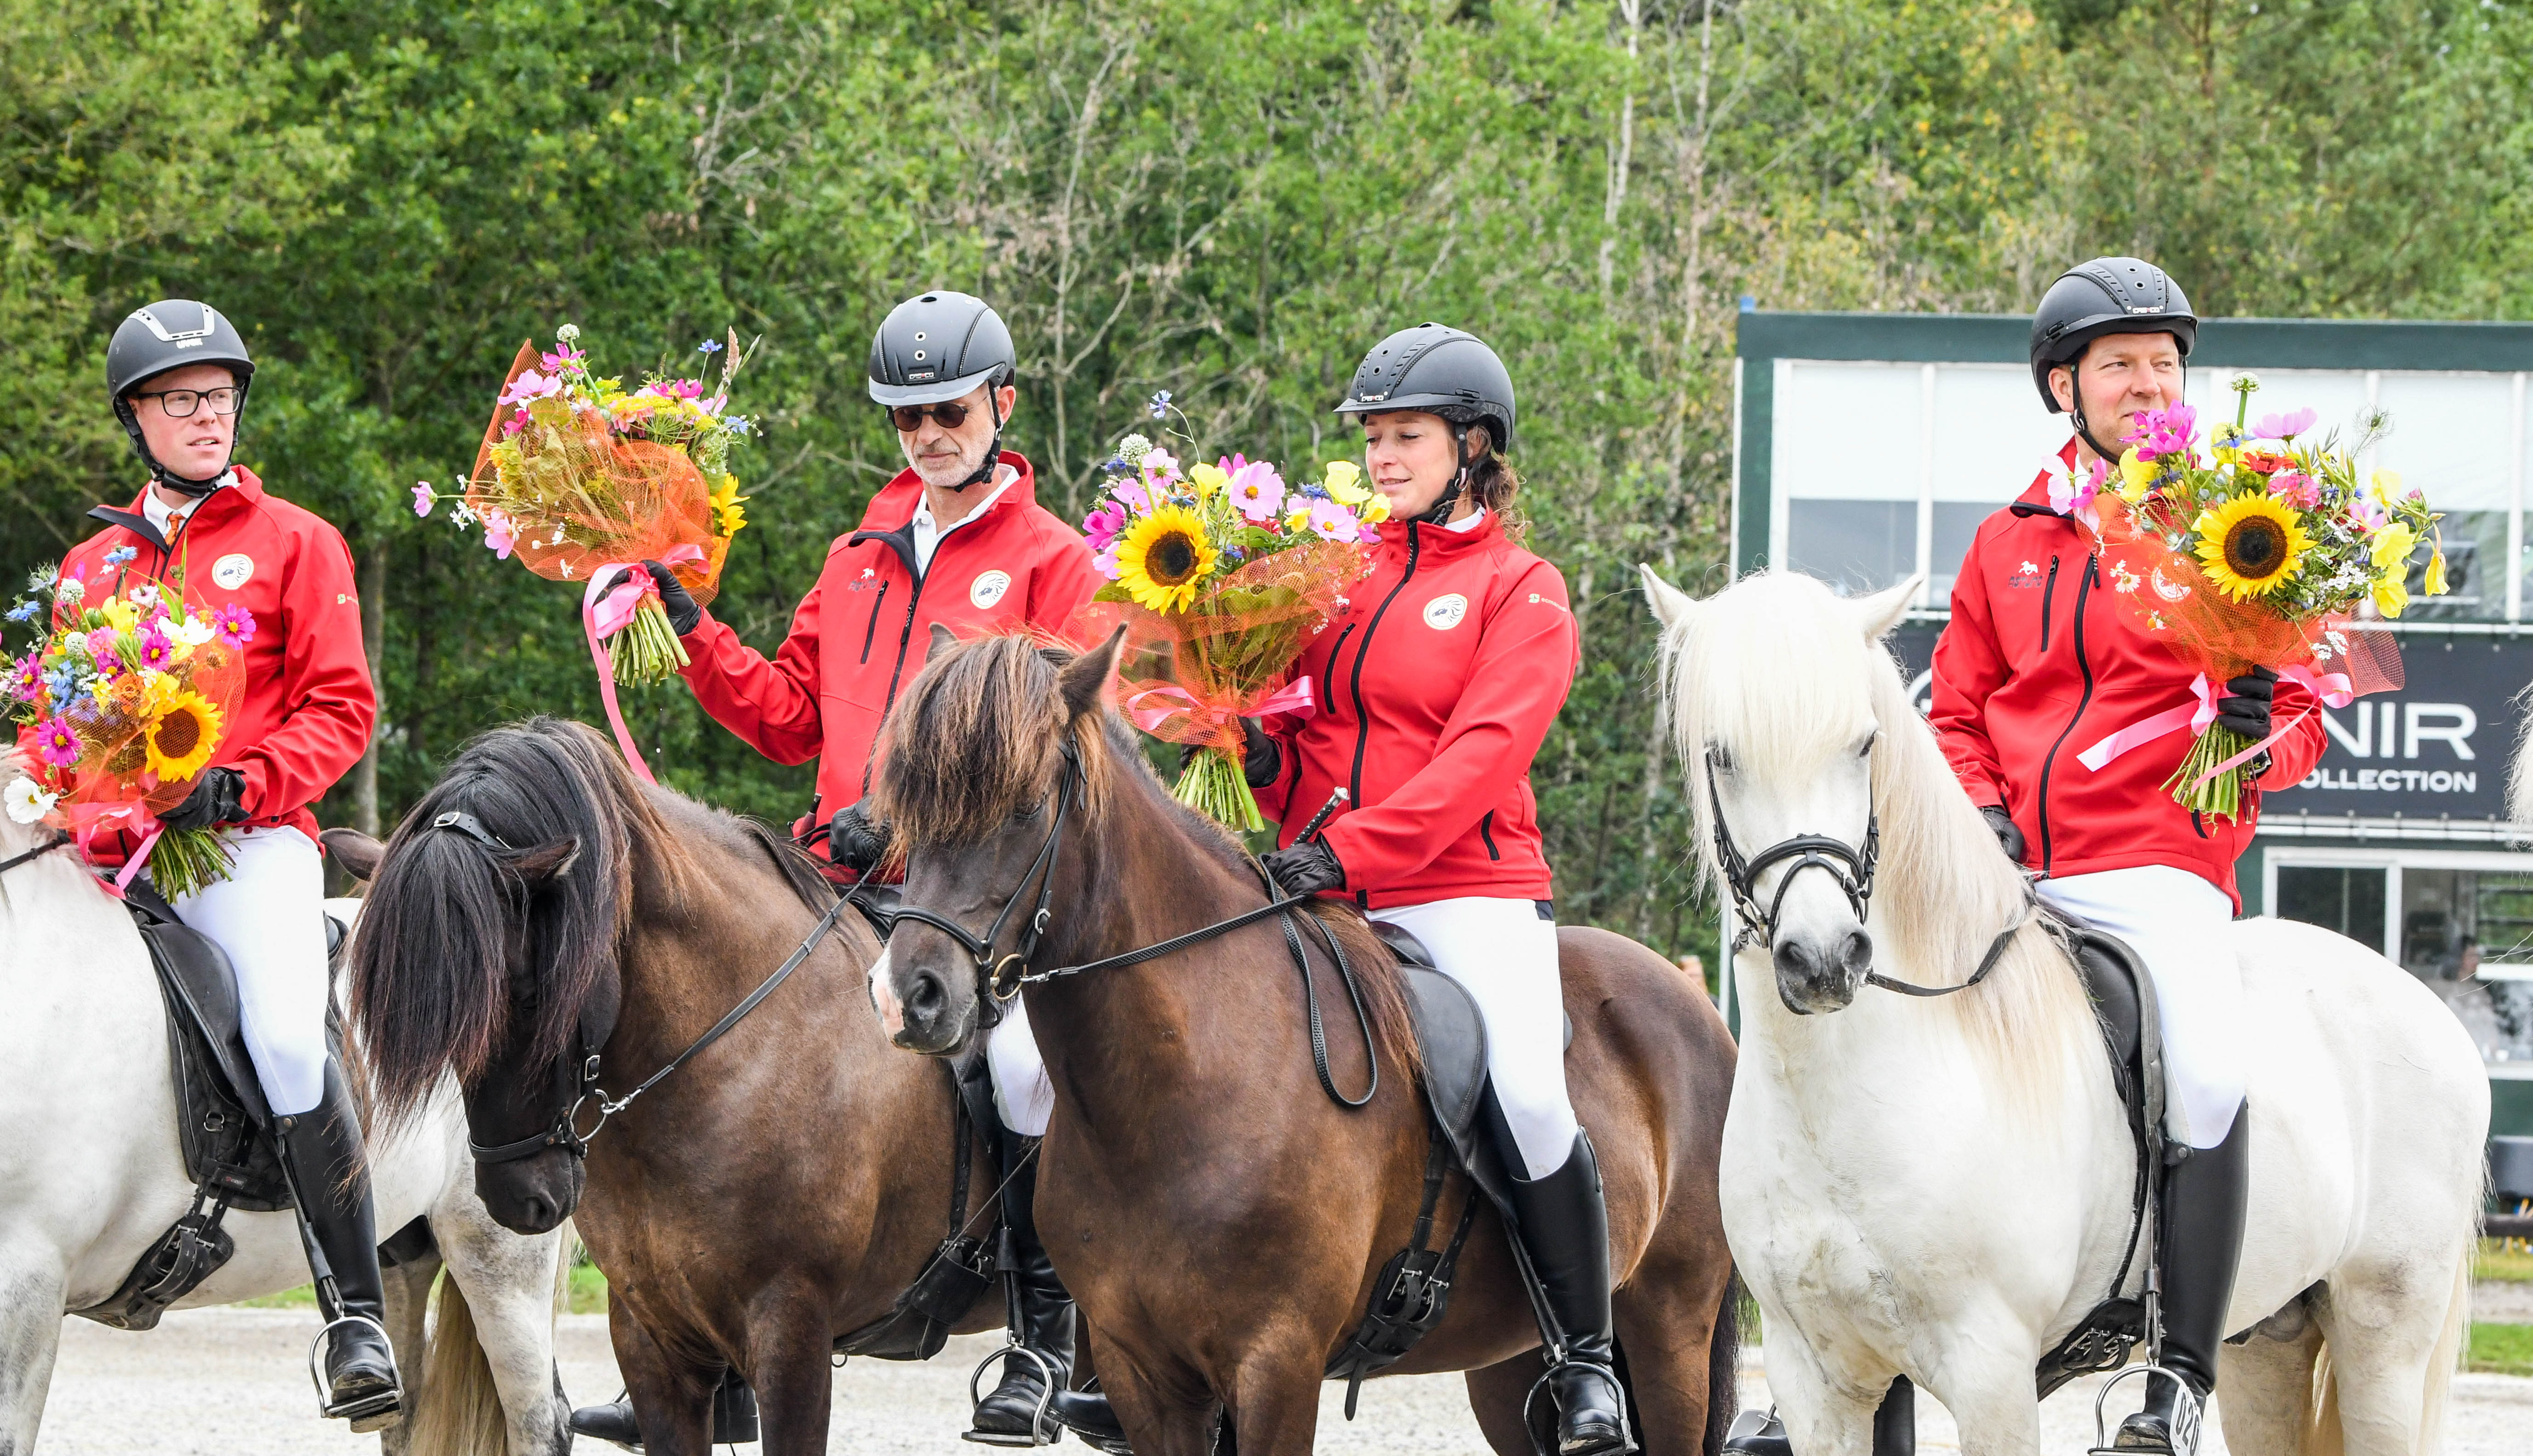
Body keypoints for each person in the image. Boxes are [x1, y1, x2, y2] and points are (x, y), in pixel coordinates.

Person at [569, 290, 1116, 1451]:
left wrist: (904, 818)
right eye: (908, 416)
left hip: (978, 893)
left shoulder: (1056, 561)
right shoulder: (858, 553)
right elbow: (788, 714)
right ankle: (684, 1342)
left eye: (950, 409)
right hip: (834, 879)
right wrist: (690, 624)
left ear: (1002, 406)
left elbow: (1060, 747)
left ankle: (1039, 1330)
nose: (929, 432)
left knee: (1021, 1063)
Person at [1929, 258, 2327, 1454]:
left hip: (2159, 864)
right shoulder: (2005, 540)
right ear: (2065, 386)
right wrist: (1983, 814)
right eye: (2119, 364)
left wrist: (2258, 734)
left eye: (2163, 362)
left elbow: (2298, 712)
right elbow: (1957, 710)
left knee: (2200, 1072)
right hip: (2008, 874)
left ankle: (2177, 1377)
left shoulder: (2237, 528)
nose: (2147, 382)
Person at [1236, 323, 1620, 1456]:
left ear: (1473, 445)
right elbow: (1318, 741)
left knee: (1531, 1090)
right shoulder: (1337, 575)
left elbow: (1479, 760)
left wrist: (1353, 852)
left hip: (1468, 886)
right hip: (1327, 876)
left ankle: (1583, 1353)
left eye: (1408, 436)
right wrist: (1264, 767)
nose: (1385, 456)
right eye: (1374, 438)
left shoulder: (1524, 588)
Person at [47, 300, 394, 1422]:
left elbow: (345, 707)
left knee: (291, 1036)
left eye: (222, 395)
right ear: (137, 417)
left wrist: (240, 784)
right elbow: (63, 727)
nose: (209, 416)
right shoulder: (89, 568)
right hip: (111, 853)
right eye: (183, 399)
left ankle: (353, 1311)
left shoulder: (299, 540)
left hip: (247, 844)